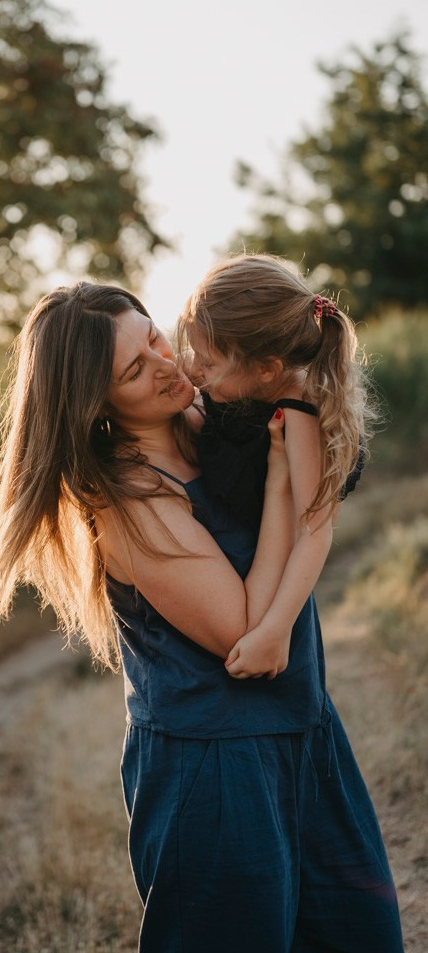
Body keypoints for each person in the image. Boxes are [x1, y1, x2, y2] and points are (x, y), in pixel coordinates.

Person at [0, 280, 406, 953]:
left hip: (307, 732)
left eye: (155, 339)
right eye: (135, 370)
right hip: (213, 770)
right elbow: (245, 627)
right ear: (95, 405)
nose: (168, 365)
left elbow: (323, 443)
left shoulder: (218, 416)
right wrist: (279, 490)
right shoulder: (130, 502)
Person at [178, 252, 374, 680]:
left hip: (277, 583)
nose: (193, 370)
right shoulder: (244, 380)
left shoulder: (299, 412)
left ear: (267, 369)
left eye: (207, 363)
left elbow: (314, 531)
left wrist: (275, 629)